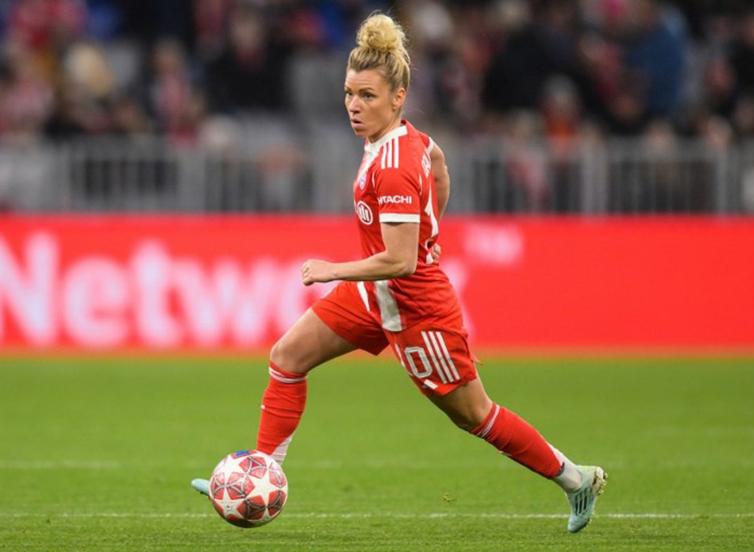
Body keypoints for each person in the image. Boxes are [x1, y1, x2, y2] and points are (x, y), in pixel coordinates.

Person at [193, 12, 606, 533]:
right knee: (287, 356)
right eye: (349, 93)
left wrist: (330, 270)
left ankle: (576, 479)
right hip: (376, 296)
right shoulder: (406, 139)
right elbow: (439, 165)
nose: (353, 106)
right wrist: (431, 221)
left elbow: (401, 259)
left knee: (474, 415)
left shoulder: (390, 164)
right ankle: (254, 479)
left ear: (398, 97)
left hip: (415, 305)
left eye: (367, 96)